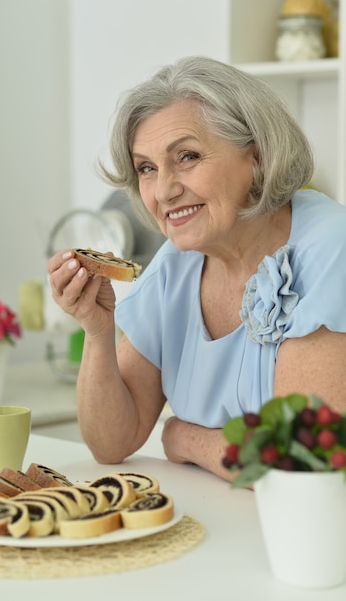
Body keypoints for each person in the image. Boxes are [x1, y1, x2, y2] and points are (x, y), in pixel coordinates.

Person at [47, 56, 346, 482]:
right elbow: (111, 443)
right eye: (146, 168)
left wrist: (186, 438)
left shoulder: (331, 248)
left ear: (256, 158)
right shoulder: (176, 264)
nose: (164, 190)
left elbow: (299, 462)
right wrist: (97, 331)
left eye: (186, 156)